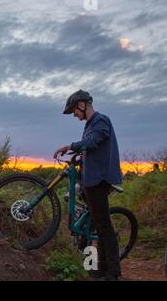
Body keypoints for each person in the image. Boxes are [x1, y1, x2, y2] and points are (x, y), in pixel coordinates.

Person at [53, 89, 122, 281]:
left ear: (82, 105)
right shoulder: (90, 124)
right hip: (91, 179)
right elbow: (89, 147)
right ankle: (96, 267)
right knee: (95, 224)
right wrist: (77, 156)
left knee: (103, 226)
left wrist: (69, 146)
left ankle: (113, 273)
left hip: (100, 179)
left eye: (74, 111)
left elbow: (91, 142)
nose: (75, 115)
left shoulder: (101, 120)